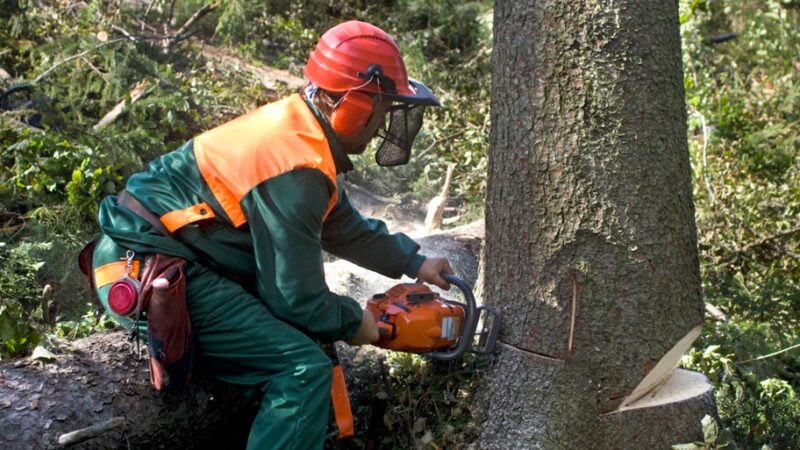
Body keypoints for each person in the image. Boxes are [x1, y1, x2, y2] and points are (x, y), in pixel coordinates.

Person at [88, 20, 453, 449]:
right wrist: (359, 323)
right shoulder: (296, 166)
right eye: (382, 111)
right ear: (354, 105)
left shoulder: (300, 135)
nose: (381, 126)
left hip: (171, 255)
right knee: (301, 370)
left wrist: (415, 262)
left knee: (301, 346)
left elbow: (342, 226)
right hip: (150, 267)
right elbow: (295, 299)